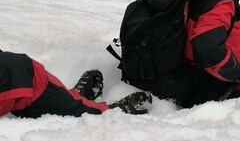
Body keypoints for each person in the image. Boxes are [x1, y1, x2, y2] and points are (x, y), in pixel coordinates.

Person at [1, 49, 151, 117]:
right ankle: (75, 97)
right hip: (19, 74)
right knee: (65, 101)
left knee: (80, 111)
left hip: (26, 86)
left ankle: (111, 112)